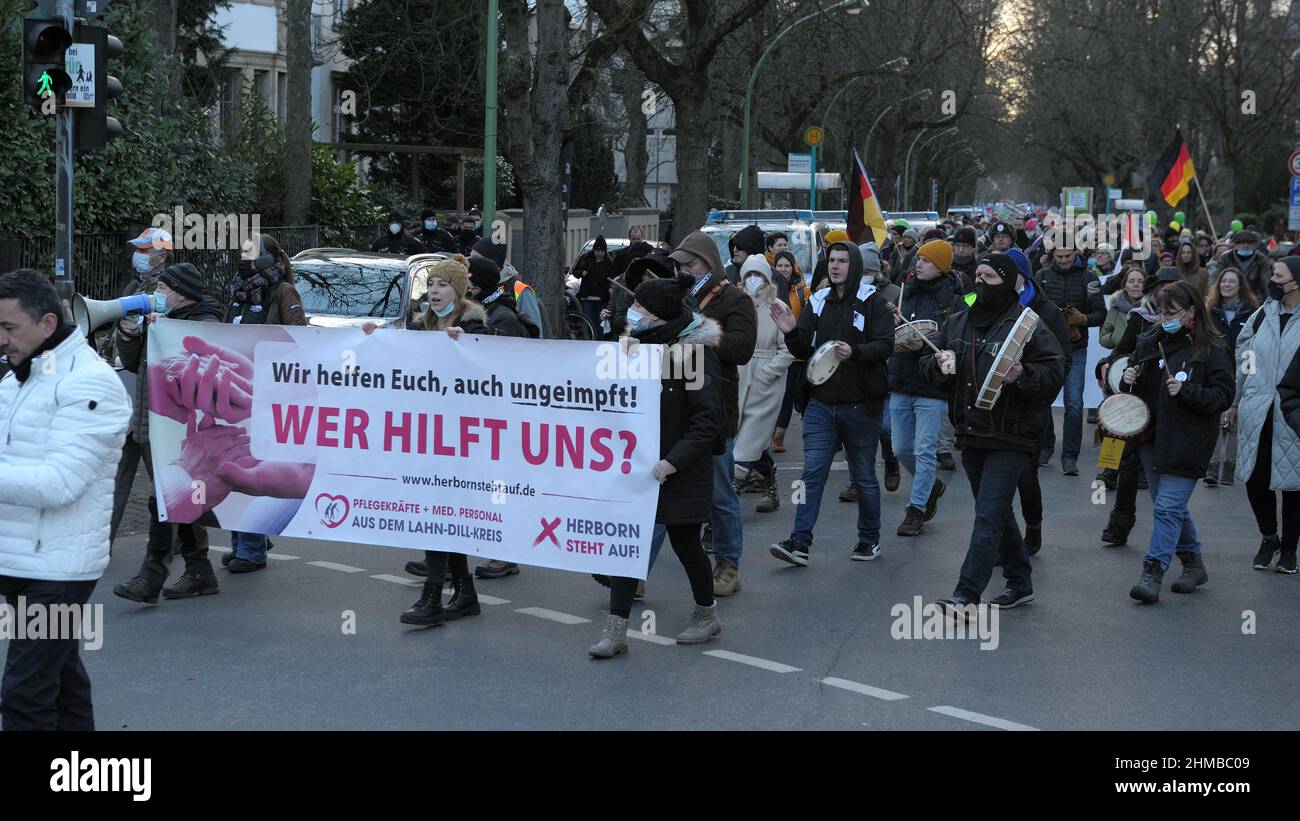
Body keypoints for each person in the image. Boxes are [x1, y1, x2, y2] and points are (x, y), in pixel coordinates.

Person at [0, 269, 131, 730]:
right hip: (26, 558)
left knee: (25, 695)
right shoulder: (22, 376)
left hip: (57, 567)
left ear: (48, 324)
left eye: (9, 328)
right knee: (61, 681)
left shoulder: (91, 384)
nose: (1, 340)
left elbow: (60, 482)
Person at [920, 253, 1065, 612]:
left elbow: (1054, 372)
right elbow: (927, 364)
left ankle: (966, 595)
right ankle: (1020, 581)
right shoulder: (958, 322)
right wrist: (940, 367)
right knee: (996, 513)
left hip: (1013, 435)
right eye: (977, 276)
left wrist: (1023, 376)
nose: (981, 284)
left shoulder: (1027, 325)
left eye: (990, 277)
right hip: (971, 432)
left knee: (987, 515)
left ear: (1010, 281)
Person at [589, 275, 724, 657]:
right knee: (625, 544)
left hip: (678, 469)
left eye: (642, 311)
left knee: (686, 546)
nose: (633, 315)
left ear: (661, 317)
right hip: (638, 467)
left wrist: (672, 461)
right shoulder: (639, 347)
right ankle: (615, 631)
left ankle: (706, 614)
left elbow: (707, 421)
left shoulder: (693, 355)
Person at [383, 256, 494, 626]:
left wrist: (469, 347)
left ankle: (431, 599)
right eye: (430, 284)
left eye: (442, 285)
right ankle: (465, 594)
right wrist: (370, 340)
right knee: (446, 517)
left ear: (458, 290)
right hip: (428, 438)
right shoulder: (422, 325)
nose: (433, 291)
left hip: (462, 442)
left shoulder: (475, 325)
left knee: (440, 516)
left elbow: (496, 372)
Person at [769, 241, 893, 566]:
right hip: (821, 404)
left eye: (842, 261)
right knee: (812, 473)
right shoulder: (818, 300)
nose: (835, 266)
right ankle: (799, 542)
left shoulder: (872, 302)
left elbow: (886, 345)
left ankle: (869, 540)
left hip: (861, 406)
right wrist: (791, 330)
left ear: (853, 265)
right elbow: (804, 346)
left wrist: (856, 352)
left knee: (864, 476)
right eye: (831, 261)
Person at [109, 263, 226, 603]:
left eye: (163, 289)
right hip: (156, 423)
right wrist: (131, 333)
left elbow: (198, 371)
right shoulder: (162, 324)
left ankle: (152, 575)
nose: (157, 294)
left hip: (187, 429)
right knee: (177, 499)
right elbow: (135, 365)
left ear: (180, 293)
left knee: (166, 498)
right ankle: (199, 571)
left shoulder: (206, 323)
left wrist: (166, 333)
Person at [1120, 282, 1234, 602]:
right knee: (1169, 506)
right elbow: (1129, 367)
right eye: (1161, 311)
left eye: (1172, 312)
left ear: (1191, 311)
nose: (1164, 318)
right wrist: (1128, 375)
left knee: (1168, 507)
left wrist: (1187, 392)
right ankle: (1193, 563)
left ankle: (1153, 570)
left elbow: (1223, 396)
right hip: (1150, 435)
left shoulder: (1212, 348)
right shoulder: (1149, 340)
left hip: (1188, 439)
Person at [665, 231, 757, 596]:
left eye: (691, 264)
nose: (684, 270)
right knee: (661, 491)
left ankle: (728, 564)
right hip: (673, 405)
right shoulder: (677, 297)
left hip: (715, 408)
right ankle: (635, 571)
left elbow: (742, 349)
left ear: (711, 264)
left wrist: (700, 330)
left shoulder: (736, 299)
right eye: (680, 265)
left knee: (720, 494)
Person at [222, 234, 307, 571]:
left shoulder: (282, 292)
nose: (245, 260)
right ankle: (244, 541)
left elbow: (299, 338)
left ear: (271, 259)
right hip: (238, 391)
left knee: (252, 467)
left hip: (268, 394)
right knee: (236, 466)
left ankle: (251, 550)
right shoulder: (238, 291)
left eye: (252, 254)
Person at [1231, 257, 1300, 574]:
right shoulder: (1261, 316)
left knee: (1294, 485)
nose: (1272, 279)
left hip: (1293, 412)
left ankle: (1289, 550)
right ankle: (1268, 537)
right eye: (1272, 273)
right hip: (1257, 409)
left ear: (1296, 282)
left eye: (1279, 275)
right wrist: (1235, 401)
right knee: (1256, 478)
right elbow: (1243, 359)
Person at [888, 239, 960, 536]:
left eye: (927, 261)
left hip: (931, 385)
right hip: (902, 379)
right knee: (900, 448)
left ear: (941, 266)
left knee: (924, 450)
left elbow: (954, 338)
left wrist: (929, 348)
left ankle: (915, 510)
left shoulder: (954, 300)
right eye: (918, 259)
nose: (919, 264)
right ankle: (932, 485)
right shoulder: (905, 293)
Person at [108, 227, 175, 543]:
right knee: (119, 474)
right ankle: (100, 541)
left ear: (161, 256)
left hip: (155, 400)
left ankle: (181, 542)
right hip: (132, 394)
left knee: (161, 476)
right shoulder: (135, 287)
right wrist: (127, 333)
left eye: (145, 250)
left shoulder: (173, 291)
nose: (140, 255)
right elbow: (132, 355)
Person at [1006, 247, 1070, 554]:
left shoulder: (1048, 311)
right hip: (993, 409)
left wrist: (1035, 386)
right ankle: (1001, 540)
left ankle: (1033, 526)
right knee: (995, 483)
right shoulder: (983, 305)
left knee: (1025, 478)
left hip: (1031, 406)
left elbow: (1061, 361)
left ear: (1022, 276)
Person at [1035, 244, 1104, 475]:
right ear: (1052, 255)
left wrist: (1082, 319)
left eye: (1068, 256)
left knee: (1074, 404)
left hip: (1076, 350)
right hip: (1047, 350)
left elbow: (1101, 314)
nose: (1064, 260)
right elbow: (1032, 309)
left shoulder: (1089, 277)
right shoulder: (1042, 276)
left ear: (1076, 254)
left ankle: (1070, 456)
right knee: (1042, 400)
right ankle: (1046, 446)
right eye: (1060, 256)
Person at [732, 255, 793, 514]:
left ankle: (720, 519)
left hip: (766, 381)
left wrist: (768, 371)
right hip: (738, 374)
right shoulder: (734, 305)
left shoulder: (777, 306)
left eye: (758, 276)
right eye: (748, 276)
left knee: (744, 448)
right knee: (742, 434)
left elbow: (789, 347)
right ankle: (768, 476)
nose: (754, 281)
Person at [1204, 268, 1259, 485]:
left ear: (1240, 285)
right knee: (1216, 418)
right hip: (1216, 369)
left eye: (1231, 281)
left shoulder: (1253, 311)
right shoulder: (1209, 309)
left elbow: (1254, 345)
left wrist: (1249, 371)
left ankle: (1228, 467)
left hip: (1243, 368)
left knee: (1234, 419)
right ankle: (1212, 466)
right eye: (1223, 281)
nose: (1227, 285)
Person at [770, 249, 810, 454]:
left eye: (787, 265)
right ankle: (773, 432)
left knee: (790, 396)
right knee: (775, 396)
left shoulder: (803, 291)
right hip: (772, 350)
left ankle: (779, 436)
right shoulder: (769, 289)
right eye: (780, 266)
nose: (783, 269)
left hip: (796, 353)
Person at [471, 239, 542, 338]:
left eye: (475, 258)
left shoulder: (520, 290)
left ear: (491, 263)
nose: (469, 262)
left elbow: (535, 334)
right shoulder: (474, 288)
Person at [573, 236, 615, 335]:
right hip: (587, 298)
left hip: (602, 298)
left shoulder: (609, 263)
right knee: (589, 324)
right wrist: (581, 272)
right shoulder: (586, 258)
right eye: (597, 250)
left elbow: (611, 278)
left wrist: (610, 288)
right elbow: (575, 271)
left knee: (600, 324)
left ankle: (599, 341)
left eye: (602, 251)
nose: (599, 253)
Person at [1214, 230, 1271, 297]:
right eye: (1242, 243)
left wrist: (1269, 300)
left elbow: (1266, 282)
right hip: (1228, 296)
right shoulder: (1225, 258)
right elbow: (1215, 278)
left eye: (1249, 243)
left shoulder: (1262, 260)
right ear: (1234, 245)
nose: (1246, 246)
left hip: (1253, 298)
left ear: (1255, 245)